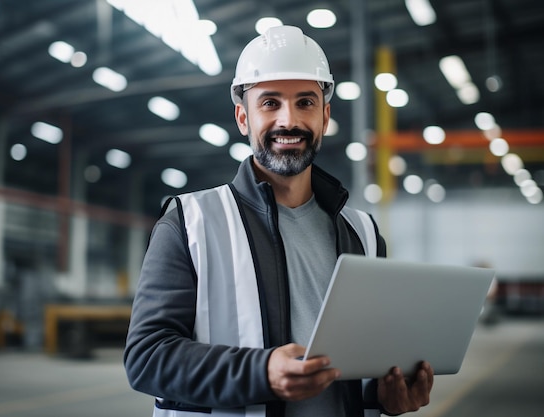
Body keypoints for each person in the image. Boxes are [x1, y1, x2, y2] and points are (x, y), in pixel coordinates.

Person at [124, 25, 434, 417]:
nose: (289, 120)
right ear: (243, 117)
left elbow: (364, 357)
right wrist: (261, 372)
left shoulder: (364, 233)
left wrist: (386, 396)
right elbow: (147, 358)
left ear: (324, 116)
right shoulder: (189, 224)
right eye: (270, 103)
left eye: (305, 102)